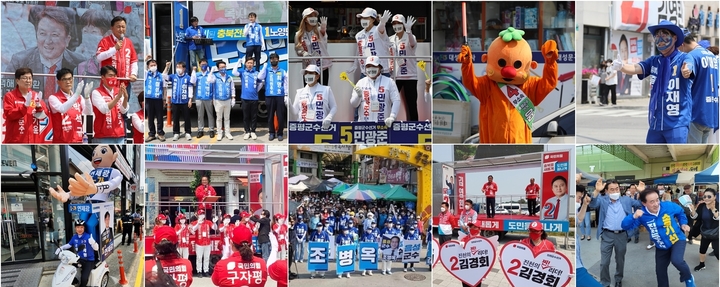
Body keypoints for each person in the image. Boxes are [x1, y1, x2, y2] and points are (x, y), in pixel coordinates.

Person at [612, 20, 694, 143]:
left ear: (675, 38)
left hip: (677, 123)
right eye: (657, 36)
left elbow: (689, 65)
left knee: (676, 158)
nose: (660, 39)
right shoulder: (654, 61)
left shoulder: (683, 58)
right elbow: (636, 68)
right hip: (656, 124)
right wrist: (621, 67)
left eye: (664, 35)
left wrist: (687, 70)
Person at [621, 185, 696, 287]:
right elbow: (625, 226)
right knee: (660, 271)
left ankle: (688, 277)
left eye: (657, 200)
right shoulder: (642, 215)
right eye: (651, 202)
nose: (656, 204)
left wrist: (683, 223)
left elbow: (680, 212)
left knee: (677, 260)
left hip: (677, 239)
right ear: (644, 203)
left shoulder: (668, 206)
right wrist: (633, 216)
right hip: (661, 246)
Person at [5, 7, 85, 98]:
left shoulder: (80, 63)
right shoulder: (19, 61)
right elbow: (6, 95)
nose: (48, 41)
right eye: (42, 34)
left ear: (67, 40)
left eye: (54, 35)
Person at [590, 178, 643, 287]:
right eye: (612, 190)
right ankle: (605, 282)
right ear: (607, 191)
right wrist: (596, 191)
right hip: (607, 235)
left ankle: (618, 279)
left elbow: (639, 204)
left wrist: (641, 192)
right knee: (604, 262)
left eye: (617, 189)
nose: (615, 192)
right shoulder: (603, 200)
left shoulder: (626, 200)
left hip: (622, 234)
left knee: (620, 260)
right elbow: (593, 204)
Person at [679, 32, 719, 143]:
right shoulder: (712, 56)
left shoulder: (692, 55)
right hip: (711, 112)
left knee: (692, 149)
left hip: (697, 111)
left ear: (682, 44)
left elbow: (688, 67)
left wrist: (686, 70)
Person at [351, 55, 401, 127]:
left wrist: (392, 117)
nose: (371, 69)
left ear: (380, 68)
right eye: (368, 66)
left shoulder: (389, 82)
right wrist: (358, 96)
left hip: (384, 125)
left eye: (374, 66)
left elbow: (396, 100)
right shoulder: (361, 82)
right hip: (364, 125)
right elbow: (354, 104)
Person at [389, 14, 421, 121]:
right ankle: (390, 122)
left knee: (411, 103)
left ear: (403, 24)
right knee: (390, 101)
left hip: (410, 76)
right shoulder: (390, 39)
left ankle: (414, 126)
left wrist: (409, 31)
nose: (396, 26)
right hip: (395, 76)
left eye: (399, 23)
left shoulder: (410, 36)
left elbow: (412, 44)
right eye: (394, 24)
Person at [48, 69, 93, 143]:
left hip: (78, 139)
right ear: (58, 82)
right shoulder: (53, 98)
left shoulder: (79, 97)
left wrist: (87, 97)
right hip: (62, 141)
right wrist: (76, 94)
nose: (68, 82)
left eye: (69, 79)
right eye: (64, 79)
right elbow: (62, 109)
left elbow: (88, 113)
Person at [347, 8, 393, 79]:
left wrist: (382, 23)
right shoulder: (359, 35)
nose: (363, 20)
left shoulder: (378, 31)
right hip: (365, 72)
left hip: (381, 72)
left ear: (373, 19)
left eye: (366, 18)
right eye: (362, 18)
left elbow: (381, 29)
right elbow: (359, 51)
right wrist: (355, 64)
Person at [96, 16, 138, 89]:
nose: (121, 29)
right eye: (118, 27)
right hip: (109, 83)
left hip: (125, 83)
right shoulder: (105, 41)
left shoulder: (129, 42)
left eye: (123, 27)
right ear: (112, 28)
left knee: (125, 100)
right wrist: (114, 49)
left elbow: (133, 61)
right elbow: (99, 57)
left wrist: (133, 74)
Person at [576, 182, 604, 287]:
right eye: (578, 197)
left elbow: (578, 219)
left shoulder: (574, 209)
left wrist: (584, 204)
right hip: (574, 268)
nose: (579, 200)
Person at [55, 219, 98, 287]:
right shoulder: (74, 237)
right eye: (78, 227)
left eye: (81, 227)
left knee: (84, 278)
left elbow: (96, 248)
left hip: (89, 261)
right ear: (75, 228)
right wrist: (61, 248)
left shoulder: (88, 237)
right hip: (78, 259)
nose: (79, 229)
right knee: (68, 271)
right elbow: (69, 245)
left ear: (84, 228)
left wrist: (93, 243)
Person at [91, 66, 128, 143]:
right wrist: (117, 97)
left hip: (119, 135)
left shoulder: (118, 91)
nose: (113, 78)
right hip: (103, 136)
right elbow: (104, 109)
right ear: (103, 77)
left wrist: (125, 98)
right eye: (110, 75)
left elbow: (123, 111)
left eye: (114, 76)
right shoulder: (96, 92)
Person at [293, 64, 337, 129]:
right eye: (306, 73)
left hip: (320, 126)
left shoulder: (326, 90)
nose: (307, 75)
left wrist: (329, 117)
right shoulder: (300, 92)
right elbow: (295, 111)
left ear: (317, 76)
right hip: (303, 128)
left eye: (310, 73)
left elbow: (334, 106)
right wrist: (288, 104)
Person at [295, 8, 332, 85]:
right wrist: (303, 53)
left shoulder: (319, 31)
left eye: (315, 16)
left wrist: (323, 28)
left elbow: (324, 36)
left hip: (322, 67)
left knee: (322, 91)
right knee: (309, 91)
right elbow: (298, 50)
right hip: (309, 68)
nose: (314, 18)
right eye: (311, 16)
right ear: (305, 19)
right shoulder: (298, 34)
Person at [3, 68, 39, 143]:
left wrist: (40, 108)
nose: (28, 81)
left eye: (30, 78)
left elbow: (43, 116)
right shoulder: (10, 96)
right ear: (17, 80)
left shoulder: (36, 95)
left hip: (32, 139)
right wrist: (24, 106)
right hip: (16, 140)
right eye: (25, 78)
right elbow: (9, 114)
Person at [258, 53, 288, 141]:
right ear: (270, 60)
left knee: (280, 116)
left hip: (279, 96)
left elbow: (285, 84)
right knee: (270, 116)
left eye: (275, 59)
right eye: (271, 59)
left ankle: (280, 133)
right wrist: (264, 67)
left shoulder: (282, 71)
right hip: (269, 96)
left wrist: (286, 95)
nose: (273, 60)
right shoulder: (266, 70)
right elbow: (259, 77)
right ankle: (271, 133)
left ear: (278, 60)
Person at [688, 188, 719, 271]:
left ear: (714, 197)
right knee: (702, 249)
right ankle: (702, 265)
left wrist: (713, 209)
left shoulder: (718, 205)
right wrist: (693, 211)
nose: (706, 198)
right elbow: (697, 217)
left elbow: (718, 218)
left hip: (717, 233)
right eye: (705, 196)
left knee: (717, 252)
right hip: (705, 232)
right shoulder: (702, 206)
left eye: (709, 196)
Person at [163, 61, 193, 141]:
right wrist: (167, 67)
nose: (178, 69)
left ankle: (188, 133)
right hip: (175, 101)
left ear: (184, 68)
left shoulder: (188, 77)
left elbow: (190, 88)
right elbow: (164, 76)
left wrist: (190, 99)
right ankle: (176, 133)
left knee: (187, 118)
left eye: (180, 67)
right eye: (177, 67)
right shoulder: (173, 76)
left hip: (185, 101)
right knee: (175, 118)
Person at [233, 57, 262, 140]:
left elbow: (260, 83)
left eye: (251, 63)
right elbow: (234, 72)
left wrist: (256, 91)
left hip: (254, 98)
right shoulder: (243, 72)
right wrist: (238, 63)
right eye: (248, 63)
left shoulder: (256, 73)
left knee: (254, 116)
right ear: (245, 64)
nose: (249, 64)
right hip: (245, 98)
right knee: (246, 116)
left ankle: (253, 131)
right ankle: (247, 131)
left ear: (253, 64)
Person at [191, 58, 216, 139]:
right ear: (199, 65)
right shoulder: (197, 74)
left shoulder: (211, 74)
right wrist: (193, 71)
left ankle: (211, 129)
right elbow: (192, 81)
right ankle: (200, 130)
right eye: (202, 64)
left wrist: (213, 98)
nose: (203, 66)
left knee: (210, 115)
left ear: (207, 65)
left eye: (205, 64)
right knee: (200, 115)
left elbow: (214, 87)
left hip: (209, 98)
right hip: (199, 98)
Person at [144, 59, 166, 142]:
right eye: (151, 65)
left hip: (158, 99)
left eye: (154, 65)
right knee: (150, 117)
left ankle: (160, 133)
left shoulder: (160, 75)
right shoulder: (147, 74)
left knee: (160, 117)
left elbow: (164, 87)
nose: (153, 67)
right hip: (149, 99)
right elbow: (142, 69)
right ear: (148, 67)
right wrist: (146, 59)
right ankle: (152, 134)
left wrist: (164, 99)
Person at [191, 209, 217, 278]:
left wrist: (214, 223)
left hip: (207, 243)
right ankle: (199, 271)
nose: (202, 215)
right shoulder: (195, 222)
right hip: (199, 243)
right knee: (199, 258)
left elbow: (214, 228)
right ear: (198, 215)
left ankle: (206, 271)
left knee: (206, 258)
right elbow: (193, 229)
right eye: (200, 214)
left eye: (203, 214)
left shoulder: (208, 222)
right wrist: (198, 223)